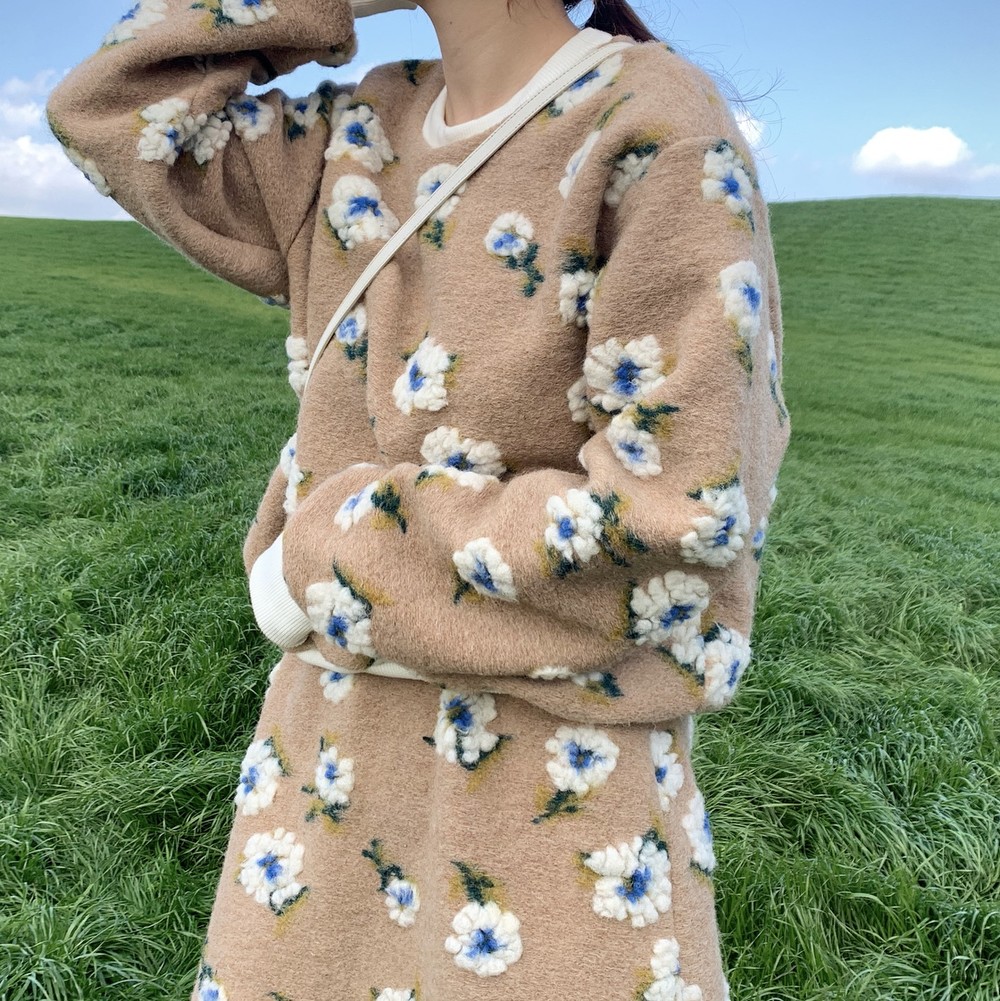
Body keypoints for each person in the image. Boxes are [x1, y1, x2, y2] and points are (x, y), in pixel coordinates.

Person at [45, 0, 792, 996]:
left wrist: (333, 549)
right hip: (319, 788)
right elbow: (109, 112)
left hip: (550, 809)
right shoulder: (358, 134)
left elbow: (677, 517)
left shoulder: (652, 123)